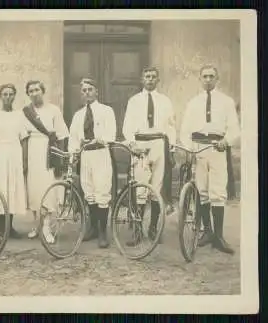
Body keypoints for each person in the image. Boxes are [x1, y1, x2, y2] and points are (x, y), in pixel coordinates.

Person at [180, 64, 239, 255]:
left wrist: (226, 141)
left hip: (217, 148)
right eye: (204, 76)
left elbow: (234, 128)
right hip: (199, 148)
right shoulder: (193, 103)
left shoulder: (227, 102)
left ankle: (219, 237)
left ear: (217, 78)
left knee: (218, 191)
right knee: (202, 190)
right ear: (200, 78)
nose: (207, 80)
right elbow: (185, 129)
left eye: (211, 76)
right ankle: (207, 231)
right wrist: (189, 148)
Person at [122, 67, 177, 246]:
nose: (150, 80)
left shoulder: (165, 101)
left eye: (153, 77)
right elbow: (127, 125)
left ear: (158, 79)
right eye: (147, 76)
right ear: (142, 79)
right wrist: (132, 144)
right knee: (140, 187)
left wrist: (172, 147)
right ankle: (137, 230)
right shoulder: (134, 101)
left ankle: (153, 227)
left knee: (157, 187)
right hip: (141, 144)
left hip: (159, 144)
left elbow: (171, 126)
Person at [68, 78, 117, 248]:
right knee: (88, 192)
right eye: (84, 90)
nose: (87, 93)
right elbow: (73, 137)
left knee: (102, 192)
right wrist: (73, 154)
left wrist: (98, 140)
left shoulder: (106, 111)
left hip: (100, 154)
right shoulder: (78, 115)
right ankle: (94, 228)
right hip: (86, 156)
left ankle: (103, 231)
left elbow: (111, 134)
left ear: (96, 92)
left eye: (90, 89)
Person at [22, 80, 69, 243]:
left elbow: (62, 135)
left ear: (43, 91)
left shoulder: (53, 110)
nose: (34, 93)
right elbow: (22, 135)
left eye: (37, 90)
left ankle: (47, 226)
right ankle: (37, 224)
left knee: (47, 189)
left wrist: (61, 157)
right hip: (32, 150)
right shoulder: (26, 112)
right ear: (28, 94)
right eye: (31, 91)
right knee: (34, 189)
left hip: (49, 151)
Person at [0, 83, 28, 241]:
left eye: (11, 94)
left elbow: (24, 139)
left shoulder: (19, 115)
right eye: (5, 94)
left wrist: (24, 161)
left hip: (15, 154)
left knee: (12, 190)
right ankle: (1, 229)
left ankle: (10, 228)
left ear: (14, 96)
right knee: (0, 189)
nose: (8, 97)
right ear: (0, 96)